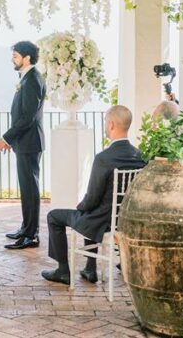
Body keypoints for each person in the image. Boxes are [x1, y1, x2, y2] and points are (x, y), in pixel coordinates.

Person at [41, 105, 146, 285]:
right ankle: (90, 268)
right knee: (92, 211)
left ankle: (63, 271)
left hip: (102, 221)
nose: (105, 126)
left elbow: (91, 199)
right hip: (124, 220)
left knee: (54, 216)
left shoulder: (104, 158)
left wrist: (80, 207)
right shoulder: (139, 156)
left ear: (111, 124)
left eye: (106, 122)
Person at [0, 41, 46, 250]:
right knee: (26, 189)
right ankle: (26, 229)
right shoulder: (27, 78)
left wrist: (5, 138)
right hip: (24, 142)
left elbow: (28, 118)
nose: (12, 59)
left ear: (27, 58)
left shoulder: (33, 79)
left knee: (30, 190)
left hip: (30, 142)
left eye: (15, 56)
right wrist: (13, 140)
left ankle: (32, 235)